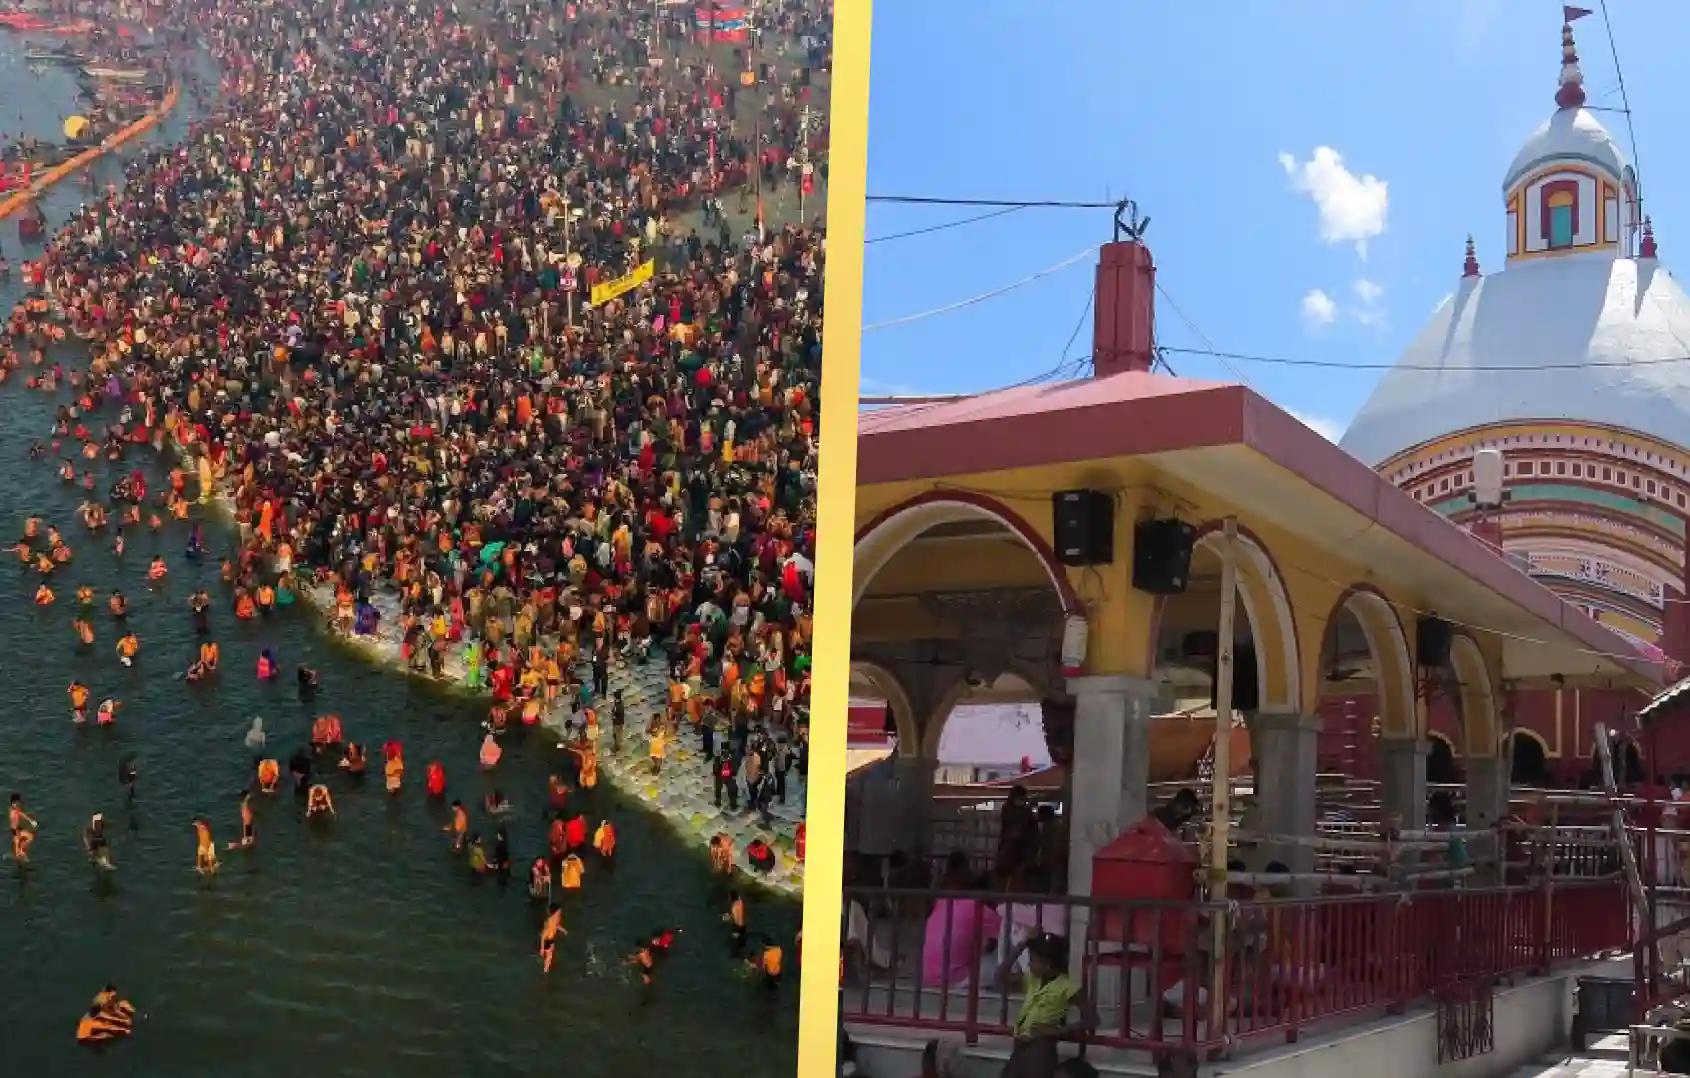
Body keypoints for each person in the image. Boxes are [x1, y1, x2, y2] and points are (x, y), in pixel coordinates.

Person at [994, 933, 1097, 1078]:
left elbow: (1092, 1019)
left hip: (1040, 1049)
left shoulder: (1067, 987)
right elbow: (1000, 976)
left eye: (1033, 960)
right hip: (1019, 1047)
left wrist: (1059, 1031)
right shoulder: (1031, 979)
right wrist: (1021, 945)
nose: (1029, 965)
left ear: (1047, 965)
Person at [10, 793, 38, 863]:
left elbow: (21, 814)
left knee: (21, 845)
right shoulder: (13, 813)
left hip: (17, 829)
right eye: (18, 801)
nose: (19, 802)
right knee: (30, 837)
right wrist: (18, 835)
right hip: (16, 830)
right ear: (15, 802)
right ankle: (21, 854)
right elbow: (14, 825)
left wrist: (30, 821)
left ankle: (22, 855)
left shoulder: (15, 808)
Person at [539, 904, 566, 973]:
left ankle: (546, 965)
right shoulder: (549, 922)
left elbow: (557, 925)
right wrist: (542, 948)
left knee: (550, 954)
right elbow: (543, 936)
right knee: (548, 956)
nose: (560, 913)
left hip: (551, 939)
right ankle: (545, 969)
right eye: (558, 912)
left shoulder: (556, 919)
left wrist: (563, 930)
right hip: (547, 940)